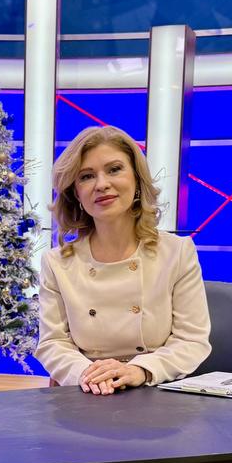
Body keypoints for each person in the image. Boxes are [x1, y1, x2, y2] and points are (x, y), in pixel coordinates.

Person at [35, 125, 211, 395]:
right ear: (76, 193)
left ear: (137, 180)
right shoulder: (56, 263)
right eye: (86, 176)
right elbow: (52, 343)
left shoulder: (177, 252)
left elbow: (192, 340)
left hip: (156, 390)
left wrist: (139, 370)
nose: (101, 184)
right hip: (87, 392)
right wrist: (88, 375)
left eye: (114, 169)